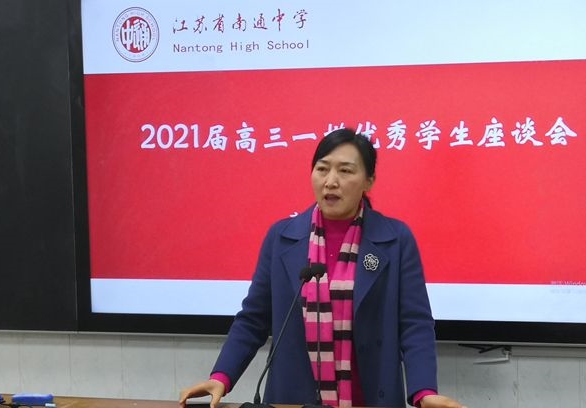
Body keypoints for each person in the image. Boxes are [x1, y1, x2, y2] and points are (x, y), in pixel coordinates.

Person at [179, 128, 464, 408]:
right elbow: (253, 319)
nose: (331, 181)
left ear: (369, 180)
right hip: (292, 401)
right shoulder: (282, 237)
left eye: (345, 171)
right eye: (322, 169)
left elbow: (415, 324)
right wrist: (221, 377)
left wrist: (424, 391)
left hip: (370, 400)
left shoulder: (395, 239)